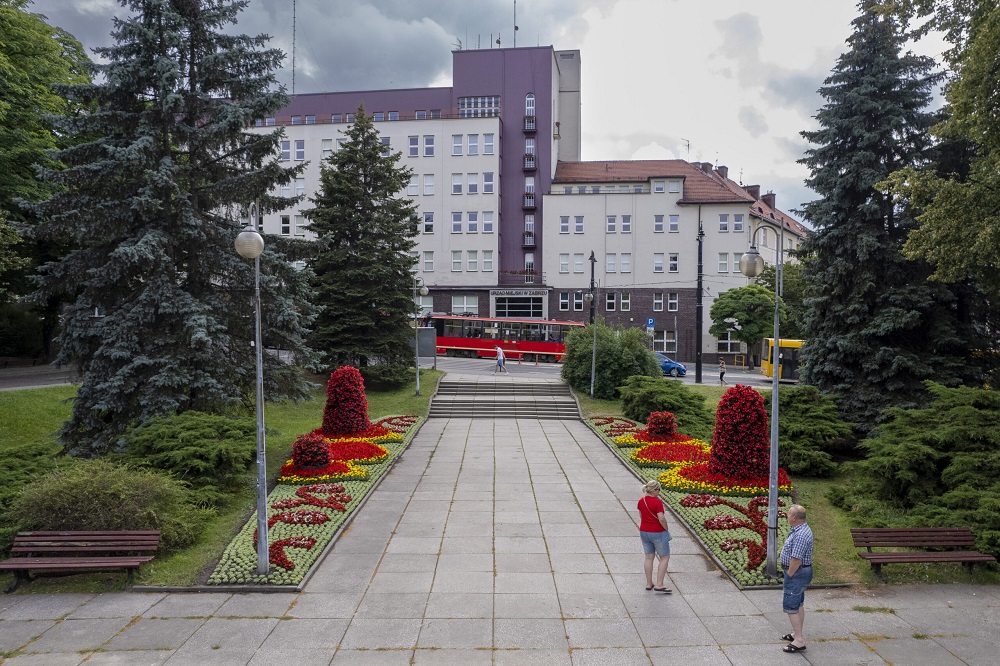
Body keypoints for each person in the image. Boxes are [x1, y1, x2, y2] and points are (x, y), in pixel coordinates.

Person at [779, 504, 814, 653]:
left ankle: (799, 641)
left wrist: (790, 576)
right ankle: (796, 634)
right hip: (801, 572)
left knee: (791, 606)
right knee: (798, 604)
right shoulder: (802, 529)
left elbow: (796, 559)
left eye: (788, 514)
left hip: (796, 572)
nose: (786, 516)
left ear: (794, 518)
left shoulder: (800, 535)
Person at [637, 479, 672, 593]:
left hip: (644, 532)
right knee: (664, 558)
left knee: (648, 557)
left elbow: (641, 517)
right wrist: (666, 529)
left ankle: (648, 583)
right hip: (658, 532)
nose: (659, 492)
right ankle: (659, 584)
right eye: (659, 490)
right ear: (654, 490)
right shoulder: (657, 502)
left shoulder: (641, 501)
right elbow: (661, 518)